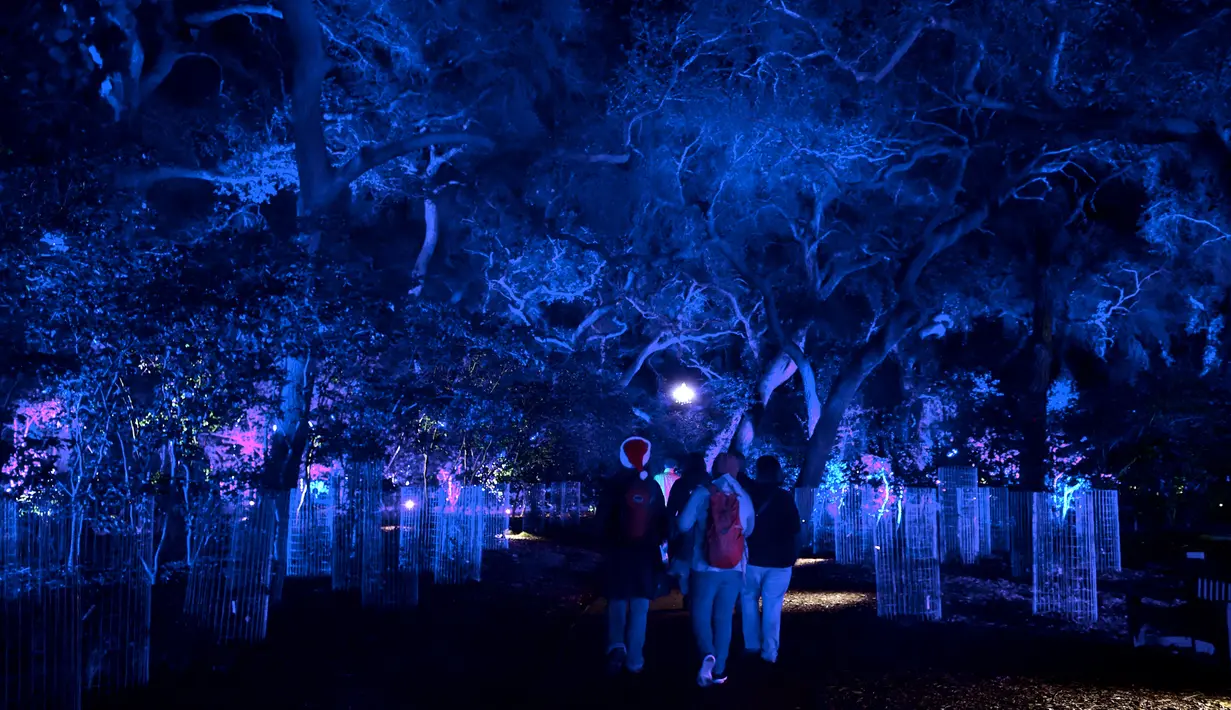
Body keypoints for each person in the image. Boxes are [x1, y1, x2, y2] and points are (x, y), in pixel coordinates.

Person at [678, 452, 755, 687]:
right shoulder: (744, 496)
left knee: (700, 612)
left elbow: (683, 525)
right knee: (724, 617)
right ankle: (720, 669)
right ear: (735, 470)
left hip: (704, 565)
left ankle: (707, 654)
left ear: (713, 469)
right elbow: (750, 529)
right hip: (733, 566)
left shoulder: (703, 492)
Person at [597, 436, 668, 675]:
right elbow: (663, 522)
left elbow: (600, 522)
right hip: (645, 557)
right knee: (640, 607)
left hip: (618, 554)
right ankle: (636, 659)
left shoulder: (613, 484)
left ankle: (616, 645)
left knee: (616, 602)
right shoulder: (652, 487)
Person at [740, 455, 801, 664]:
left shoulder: (747, 494)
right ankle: (770, 652)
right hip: (779, 561)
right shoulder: (784, 498)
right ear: (777, 471)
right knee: (772, 605)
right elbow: (795, 529)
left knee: (748, 600)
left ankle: (751, 645)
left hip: (751, 559)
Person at [666, 453, 709, 603]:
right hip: (705, 534)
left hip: (683, 534)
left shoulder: (680, 484)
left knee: (685, 566)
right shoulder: (710, 483)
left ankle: (688, 595)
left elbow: (671, 510)